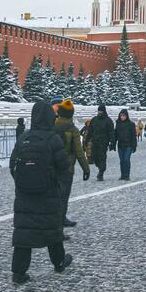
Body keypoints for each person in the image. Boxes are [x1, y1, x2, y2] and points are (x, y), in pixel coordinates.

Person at [10, 101, 72, 284]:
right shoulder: (53, 138)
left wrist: (24, 182)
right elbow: (64, 166)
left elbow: (13, 165)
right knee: (52, 230)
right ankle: (59, 262)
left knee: (23, 233)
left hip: (24, 195)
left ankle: (18, 272)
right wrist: (55, 184)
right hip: (48, 193)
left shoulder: (23, 138)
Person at [53, 99, 90, 233]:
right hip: (67, 168)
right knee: (63, 198)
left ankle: (57, 223)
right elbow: (79, 152)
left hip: (52, 167)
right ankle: (59, 229)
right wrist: (86, 169)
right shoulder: (73, 130)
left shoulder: (52, 126)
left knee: (53, 197)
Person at [89, 104, 115, 181]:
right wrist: (87, 139)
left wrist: (112, 142)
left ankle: (101, 172)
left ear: (104, 111)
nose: (100, 112)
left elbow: (111, 132)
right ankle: (100, 168)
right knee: (94, 157)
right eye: (99, 111)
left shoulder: (108, 120)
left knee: (102, 157)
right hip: (95, 141)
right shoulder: (94, 119)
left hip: (103, 142)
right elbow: (90, 130)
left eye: (101, 111)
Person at [113, 109, 137, 181]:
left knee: (126, 159)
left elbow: (133, 136)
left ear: (127, 116)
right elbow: (115, 135)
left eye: (123, 116)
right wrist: (113, 144)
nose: (122, 117)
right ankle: (122, 175)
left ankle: (127, 175)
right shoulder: (118, 123)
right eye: (121, 116)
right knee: (122, 160)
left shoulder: (131, 124)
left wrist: (134, 145)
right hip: (120, 145)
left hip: (128, 145)